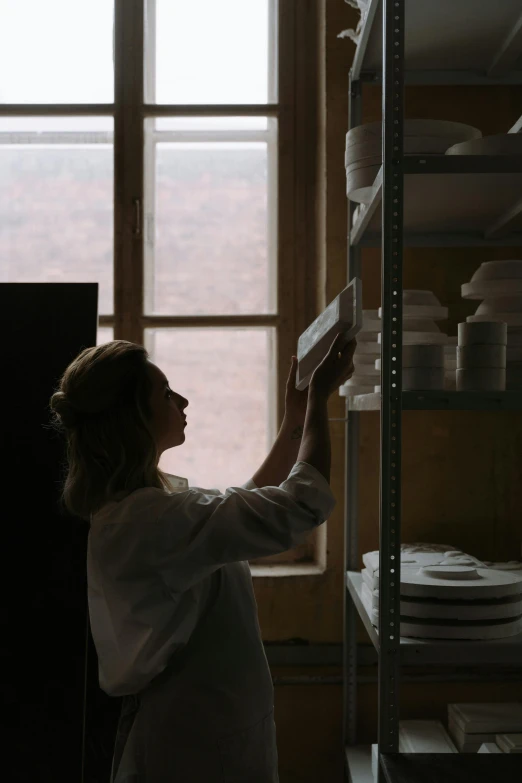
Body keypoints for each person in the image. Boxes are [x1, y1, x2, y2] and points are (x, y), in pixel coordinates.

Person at [49, 332, 356, 782]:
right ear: (135, 415)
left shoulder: (146, 507)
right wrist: (318, 404)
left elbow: (248, 505)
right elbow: (297, 508)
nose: (183, 400)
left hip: (200, 728)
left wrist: (294, 420)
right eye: (167, 392)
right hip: (196, 742)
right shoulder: (151, 520)